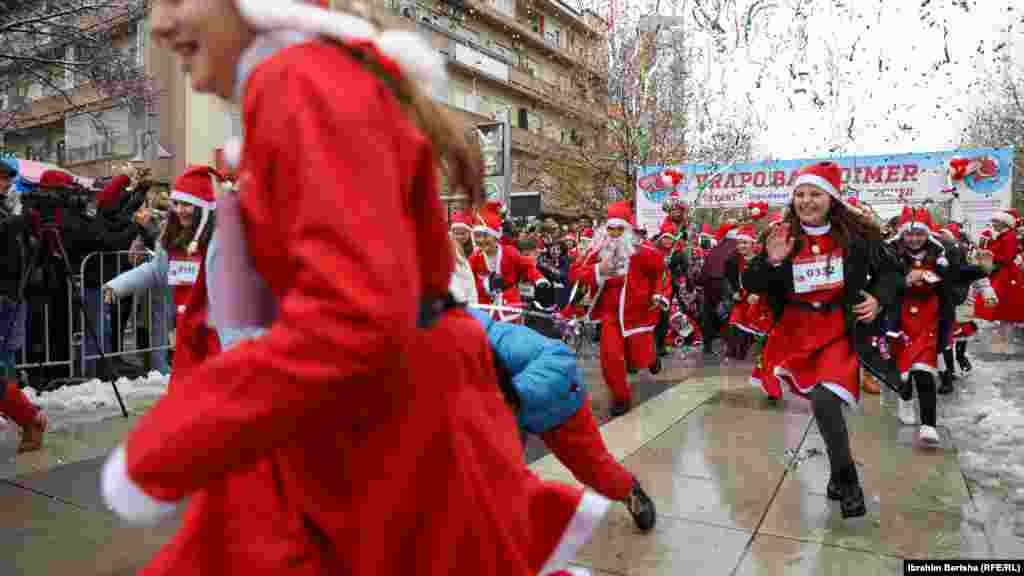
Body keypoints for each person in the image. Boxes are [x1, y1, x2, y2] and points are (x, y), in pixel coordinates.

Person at [100, 1, 605, 574]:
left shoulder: (299, 82)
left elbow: (354, 315)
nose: (160, 24)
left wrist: (173, 445)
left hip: (382, 426)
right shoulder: (302, 82)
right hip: (370, 417)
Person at [744, 161, 904, 518]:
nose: (806, 201)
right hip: (796, 332)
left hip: (838, 330)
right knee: (821, 402)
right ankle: (837, 477)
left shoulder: (859, 238)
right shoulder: (781, 234)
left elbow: (892, 272)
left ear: (831, 198)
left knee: (825, 400)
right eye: (799, 194)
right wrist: (771, 262)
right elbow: (751, 283)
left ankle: (847, 482)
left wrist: (877, 298)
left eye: (814, 194)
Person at [458, 298, 657, 532]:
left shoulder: (493, 339)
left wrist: (508, 397)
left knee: (595, 471)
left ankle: (629, 492)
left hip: (558, 403)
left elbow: (559, 359)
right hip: (508, 415)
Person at [104, 166, 223, 382]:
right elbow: (155, 271)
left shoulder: (221, 239)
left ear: (203, 208)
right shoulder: (170, 238)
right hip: (185, 333)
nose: (181, 210)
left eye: (187, 205)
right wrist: (118, 285)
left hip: (215, 332)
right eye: (177, 204)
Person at [569, 201, 669, 416]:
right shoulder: (596, 251)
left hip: (638, 312)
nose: (614, 233)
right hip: (610, 314)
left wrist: (658, 294)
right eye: (610, 228)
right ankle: (620, 397)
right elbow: (575, 272)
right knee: (610, 356)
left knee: (640, 355)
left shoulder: (644, 253)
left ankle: (651, 359)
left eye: (619, 229)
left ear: (627, 230)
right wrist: (598, 269)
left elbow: (661, 273)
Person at [470, 201, 549, 322]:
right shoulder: (475, 258)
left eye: (485, 236)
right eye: (477, 236)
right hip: (485, 308)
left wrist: (539, 279)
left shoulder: (509, 252)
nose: (481, 240)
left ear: (495, 236)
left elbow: (527, 267)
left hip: (509, 308)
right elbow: (469, 281)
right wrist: (485, 285)